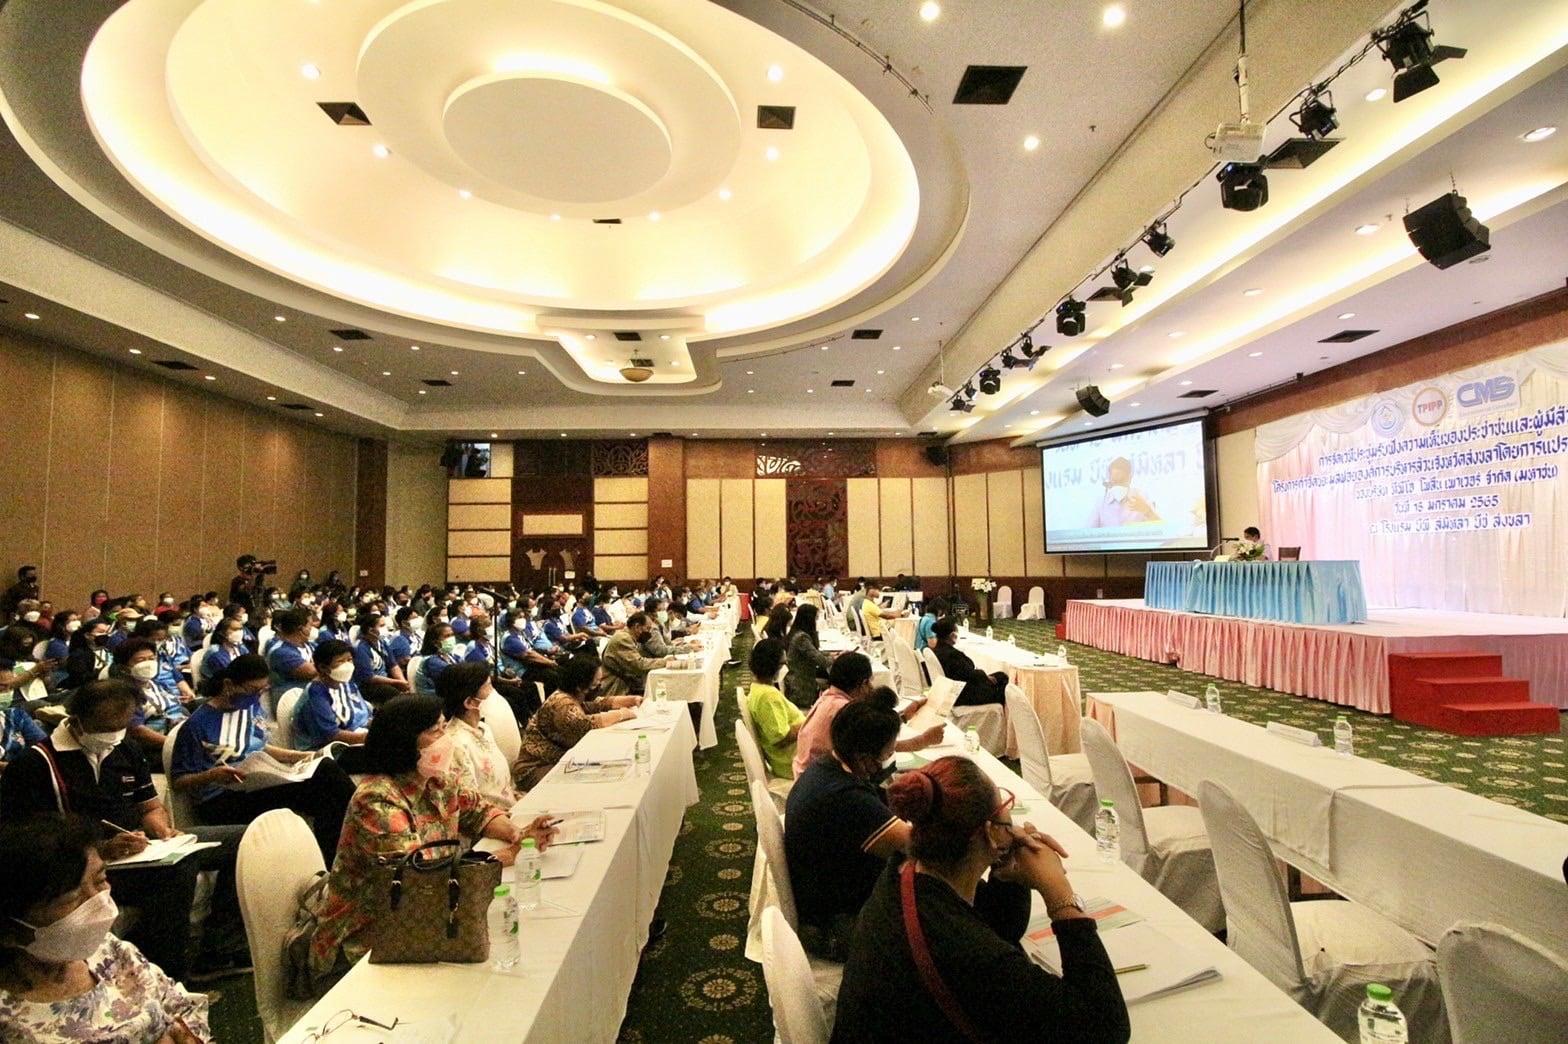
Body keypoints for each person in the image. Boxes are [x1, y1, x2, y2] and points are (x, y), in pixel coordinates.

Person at [832, 757, 1128, 1043]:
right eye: (1004, 810)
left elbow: (1000, 928)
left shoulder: (903, 872)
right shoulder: (964, 950)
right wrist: (1059, 893)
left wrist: (1004, 864)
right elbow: (1105, 1027)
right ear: (989, 831)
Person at [0, 680, 248, 984]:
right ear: (78, 720)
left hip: (141, 849)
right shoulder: (36, 765)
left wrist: (162, 830)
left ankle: (220, 947)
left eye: (123, 725)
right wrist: (101, 850)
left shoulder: (125, 748)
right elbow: (26, 846)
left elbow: (150, 807)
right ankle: (167, 976)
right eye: (107, 728)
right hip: (82, 869)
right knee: (178, 871)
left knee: (243, 840)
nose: (114, 734)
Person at [302, 695, 557, 985]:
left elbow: (479, 812)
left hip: (424, 923)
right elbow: (421, 880)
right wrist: (511, 854)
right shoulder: (376, 801)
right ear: (405, 742)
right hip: (364, 943)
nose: (446, 739)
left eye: (445, 728)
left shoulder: (437, 780)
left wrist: (518, 834)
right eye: (436, 731)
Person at [0, 816, 213, 1042]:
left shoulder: (109, 952)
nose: (98, 901)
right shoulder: (11, 1023)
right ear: (10, 927)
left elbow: (182, 1005)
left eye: (100, 880)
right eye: (71, 897)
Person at [170, 655, 356, 862]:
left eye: (262, 690)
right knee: (325, 783)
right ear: (229, 685)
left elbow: (258, 747)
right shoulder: (196, 725)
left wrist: (301, 757)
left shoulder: (248, 708)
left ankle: (337, 854)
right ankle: (354, 834)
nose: (257, 696)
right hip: (221, 799)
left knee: (325, 779)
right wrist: (213, 775)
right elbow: (179, 781)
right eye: (252, 690)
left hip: (256, 783)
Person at [783, 698, 909, 958]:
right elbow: (917, 846)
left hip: (823, 901)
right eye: (888, 753)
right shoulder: (847, 797)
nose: (889, 759)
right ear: (865, 758)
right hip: (837, 926)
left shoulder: (826, 767)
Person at [793, 654, 941, 778]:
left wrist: (904, 716)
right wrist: (922, 741)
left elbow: (874, 730)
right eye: (869, 681)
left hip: (810, 773)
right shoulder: (843, 708)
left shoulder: (829, 696)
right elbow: (879, 746)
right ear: (863, 683)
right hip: (823, 779)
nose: (871, 687)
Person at [513, 657, 640, 791]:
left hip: (557, 761)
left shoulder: (572, 696)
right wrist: (621, 714)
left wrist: (632, 700)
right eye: (595, 683)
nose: (600, 686)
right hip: (534, 769)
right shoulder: (561, 704)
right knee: (592, 782)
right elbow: (586, 725)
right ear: (580, 686)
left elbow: (597, 704)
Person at [437, 662, 516, 807]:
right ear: (469, 702)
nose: (493, 692)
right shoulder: (456, 744)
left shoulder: (484, 729)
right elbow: (473, 804)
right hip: (494, 816)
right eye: (488, 686)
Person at [293, 639, 373, 773]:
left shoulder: (346, 683)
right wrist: (371, 738)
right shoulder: (315, 694)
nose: (348, 665)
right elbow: (331, 735)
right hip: (326, 751)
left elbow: (362, 715)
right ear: (323, 667)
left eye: (349, 660)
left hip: (355, 737)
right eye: (341, 661)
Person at [109, 638, 188, 756]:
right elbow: (138, 731)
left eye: (151, 658)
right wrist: (174, 744)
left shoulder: (153, 683)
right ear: (124, 668)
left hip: (179, 731)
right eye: (141, 660)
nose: (148, 663)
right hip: (160, 747)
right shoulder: (124, 694)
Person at [745, 638, 803, 779]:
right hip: (792, 762)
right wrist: (808, 725)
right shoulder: (768, 697)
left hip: (794, 753)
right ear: (772, 666)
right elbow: (780, 739)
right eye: (783, 663)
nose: (785, 667)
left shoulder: (759, 688)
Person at [931, 619, 1007, 706]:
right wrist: (984, 676)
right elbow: (968, 674)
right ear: (952, 635)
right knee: (1003, 682)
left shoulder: (938, 650)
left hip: (955, 688)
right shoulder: (951, 654)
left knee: (1000, 675)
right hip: (963, 694)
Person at [599, 613, 672, 697]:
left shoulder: (628, 637)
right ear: (637, 627)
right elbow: (639, 665)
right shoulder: (623, 638)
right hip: (616, 688)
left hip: (626, 684)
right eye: (647, 628)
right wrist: (664, 662)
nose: (649, 632)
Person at [350, 612, 410, 703]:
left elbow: (393, 665)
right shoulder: (360, 648)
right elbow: (369, 678)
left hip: (386, 679)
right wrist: (397, 682)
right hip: (370, 686)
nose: (386, 628)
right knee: (395, 695)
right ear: (371, 630)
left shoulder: (381, 642)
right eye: (381, 626)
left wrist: (402, 681)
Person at [265, 608, 317, 710]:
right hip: (291, 704)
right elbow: (312, 672)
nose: (312, 628)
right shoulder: (280, 651)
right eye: (310, 625)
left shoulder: (309, 645)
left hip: (309, 696)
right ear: (301, 629)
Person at [784, 603, 834, 710]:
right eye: (815, 619)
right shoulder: (801, 638)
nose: (816, 622)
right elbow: (822, 662)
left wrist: (830, 655)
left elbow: (814, 651)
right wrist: (834, 658)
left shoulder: (796, 633)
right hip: (801, 688)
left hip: (799, 679)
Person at [1090, 456, 1159, 527]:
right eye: (1114, 481)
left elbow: (1160, 526)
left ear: (1129, 478)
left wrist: (1147, 511)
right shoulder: (1102, 501)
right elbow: (1089, 530)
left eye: (1121, 481)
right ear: (1110, 479)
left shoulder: (1141, 497)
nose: (1117, 485)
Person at [414, 622, 461, 696]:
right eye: (447, 636)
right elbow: (454, 678)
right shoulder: (431, 661)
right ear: (435, 643)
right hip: (432, 699)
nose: (451, 638)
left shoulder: (449, 655)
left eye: (452, 635)